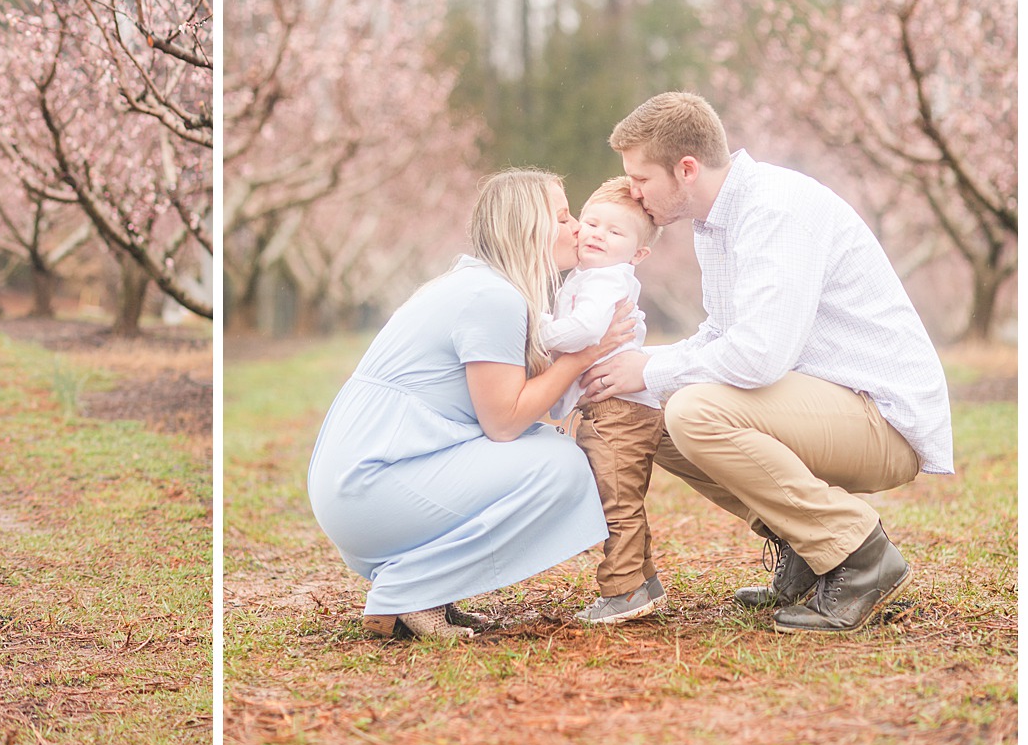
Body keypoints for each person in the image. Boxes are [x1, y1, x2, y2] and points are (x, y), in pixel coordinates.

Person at [585, 91, 954, 634]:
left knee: (693, 410)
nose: (634, 195)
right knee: (655, 412)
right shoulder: (717, 221)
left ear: (686, 169)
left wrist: (651, 369)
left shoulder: (773, 210)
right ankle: (807, 545)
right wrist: (643, 368)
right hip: (824, 402)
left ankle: (859, 554)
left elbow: (758, 356)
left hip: (881, 417)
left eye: (640, 180)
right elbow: (723, 333)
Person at [307, 168, 636, 642]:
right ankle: (409, 591)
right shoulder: (491, 297)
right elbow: (504, 421)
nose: (579, 228)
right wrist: (585, 354)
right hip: (369, 487)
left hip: (363, 482)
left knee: (544, 445)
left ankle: (426, 590)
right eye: (564, 217)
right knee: (560, 463)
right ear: (527, 228)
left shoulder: (481, 284)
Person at [539, 176, 665, 626]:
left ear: (638, 254)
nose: (596, 233)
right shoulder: (590, 275)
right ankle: (643, 580)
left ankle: (624, 588)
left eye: (615, 232)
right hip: (617, 407)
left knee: (614, 500)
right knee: (623, 494)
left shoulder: (607, 281)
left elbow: (585, 331)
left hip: (617, 410)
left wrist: (539, 329)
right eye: (591, 222)